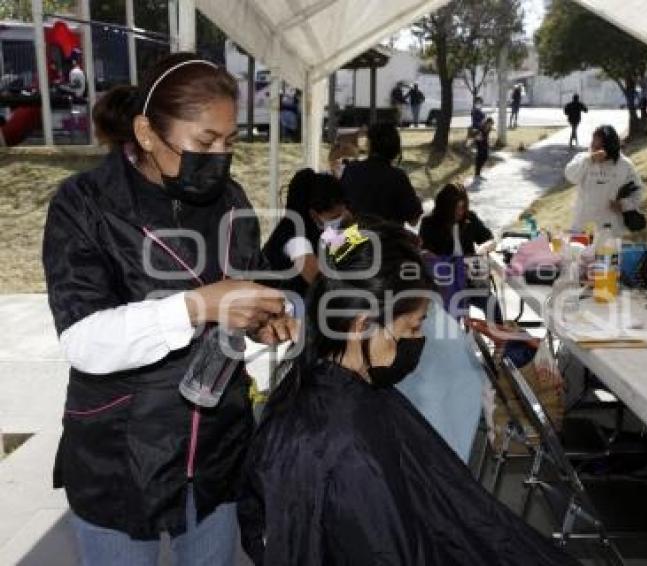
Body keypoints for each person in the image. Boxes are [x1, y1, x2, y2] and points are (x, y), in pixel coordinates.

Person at [42, 53, 295, 566]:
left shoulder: (232, 203)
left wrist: (259, 321)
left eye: (229, 143)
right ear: (147, 131)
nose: (218, 158)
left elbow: (241, 296)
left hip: (215, 459)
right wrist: (197, 306)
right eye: (204, 142)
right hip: (120, 463)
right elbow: (84, 341)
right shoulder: (85, 204)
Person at [238, 219, 579, 566]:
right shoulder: (350, 444)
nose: (418, 340)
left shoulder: (312, 391)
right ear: (363, 325)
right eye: (413, 326)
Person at [263, 169, 351, 298]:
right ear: (314, 214)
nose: (340, 219)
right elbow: (319, 283)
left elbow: (343, 247)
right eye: (335, 216)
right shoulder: (295, 238)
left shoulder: (317, 227)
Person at [419, 183, 501, 321]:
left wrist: (483, 248)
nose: (460, 212)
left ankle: (501, 339)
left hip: (469, 280)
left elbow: (490, 239)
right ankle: (456, 338)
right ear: (444, 207)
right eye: (455, 208)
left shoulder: (470, 219)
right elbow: (424, 254)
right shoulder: (429, 223)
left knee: (491, 304)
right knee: (450, 314)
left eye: (463, 207)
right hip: (445, 284)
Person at [564, 125, 643, 237]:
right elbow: (570, 175)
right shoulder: (583, 159)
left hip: (611, 227)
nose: (596, 150)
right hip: (583, 224)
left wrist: (625, 205)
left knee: (608, 252)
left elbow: (638, 189)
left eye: (600, 147)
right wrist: (589, 160)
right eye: (593, 145)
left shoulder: (625, 165)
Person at [340, 122, 423, 226]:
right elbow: (413, 221)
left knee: (331, 238)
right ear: (396, 149)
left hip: (354, 238)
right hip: (387, 239)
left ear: (369, 144)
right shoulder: (398, 177)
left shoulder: (351, 170)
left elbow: (341, 210)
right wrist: (417, 201)